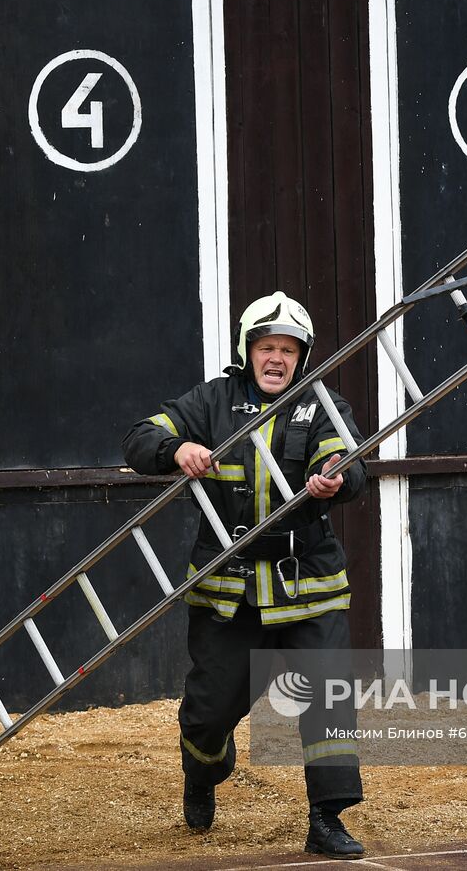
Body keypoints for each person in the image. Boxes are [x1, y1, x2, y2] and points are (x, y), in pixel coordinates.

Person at [122, 291, 369, 860]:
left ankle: (326, 819)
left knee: (327, 695)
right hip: (227, 587)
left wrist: (335, 476)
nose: (277, 358)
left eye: (287, 349)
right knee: (209, 712)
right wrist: (176, 447)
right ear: (248, 350)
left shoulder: (320, 403)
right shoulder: (211, 401)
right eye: (267, 347)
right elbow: (139, 435)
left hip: (308, 580)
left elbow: (349, 462)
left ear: (301, 356)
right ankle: (203, 773)